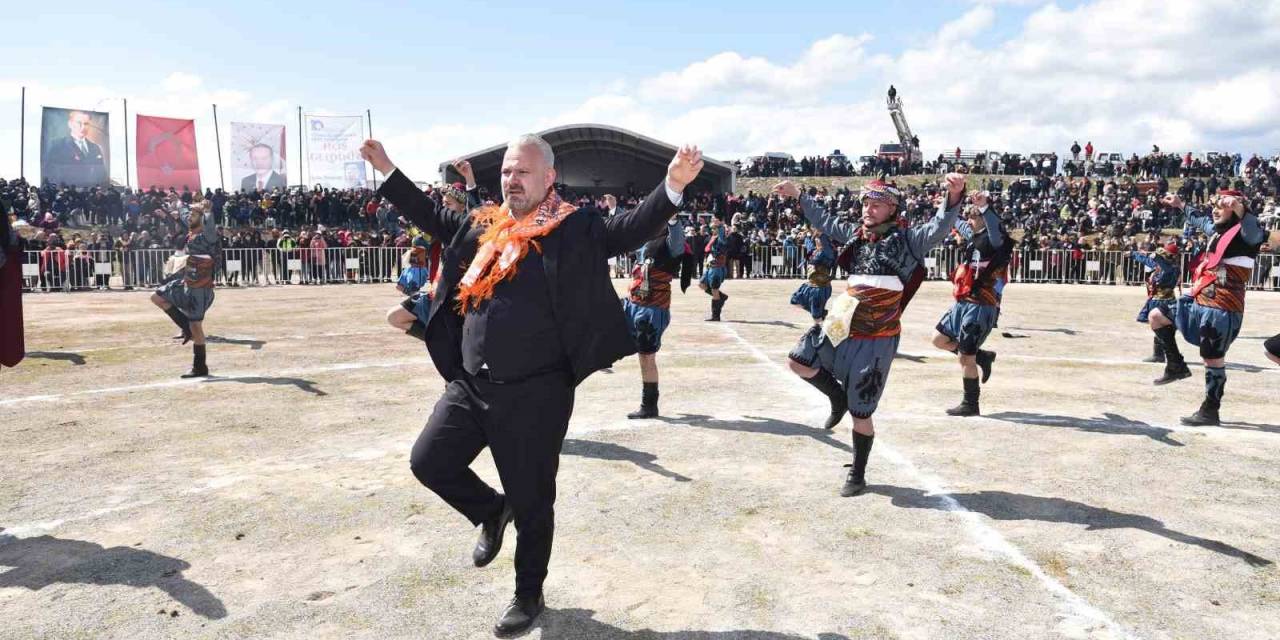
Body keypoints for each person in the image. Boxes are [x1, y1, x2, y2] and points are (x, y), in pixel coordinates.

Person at [361, 134, 703, 636]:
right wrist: (389, 168)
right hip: (472, 383)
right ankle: (490, 510)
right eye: (505, 172)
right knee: (429, 461)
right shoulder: (486, 225)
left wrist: (672, 184)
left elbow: (627, 231)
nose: (511, 181)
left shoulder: (572, 225)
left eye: (521, 173)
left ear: (547, 179)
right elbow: (434, 218)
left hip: (535, 393)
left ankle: (528, 592)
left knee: (534, 501)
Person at [776, 174, 966, 496]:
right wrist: (799, 196)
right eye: (866, 203)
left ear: (892, 209)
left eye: (876, 205)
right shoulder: (856, 235)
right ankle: (836, 397)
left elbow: (939, 225)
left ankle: (858, 474)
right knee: (799, 360)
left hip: (878, 336)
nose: (868, 209)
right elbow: (824, 219)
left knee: (862, 411)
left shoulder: (910, 241)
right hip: (842, 323)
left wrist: (954, 194)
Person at [1152, 191, 1265, 425]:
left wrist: (1241, 208)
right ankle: (1175, 365)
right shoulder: (1217, 231)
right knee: (1157, 316)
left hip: (1223, 306)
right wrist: (1181, 204)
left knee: (1212, 359)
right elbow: (1198, 220)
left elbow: (1253, 228)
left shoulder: (1247, 235)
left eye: (1221, 206)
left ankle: (1210, 409)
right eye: (1214, 205)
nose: (1215, 210)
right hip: (1199, 300)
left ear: (1234, 209)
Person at [930, 192, 1008, 416]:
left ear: (982, 219)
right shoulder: (974, 235)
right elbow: (957, 223)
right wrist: (946, 207)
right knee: (939, 339)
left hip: (981, 304)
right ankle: (982, 356)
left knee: (966, 357)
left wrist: (984, 207)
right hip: (964, 301)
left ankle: (970, 403)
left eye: (973, 218)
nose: (969, 222)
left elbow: (994, 226)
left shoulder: (995, 240)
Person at [386, 161, 480, 340]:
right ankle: (440, 344)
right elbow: (423, 237)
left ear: (462, 206)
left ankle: (447, 346)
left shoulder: (467, 227)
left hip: (461, 298)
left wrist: (469, 179)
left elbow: (477, 211)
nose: (444, 208)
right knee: (395, 317)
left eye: (449, 204)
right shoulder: (439, 227)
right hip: (438, 292)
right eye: (443, 203)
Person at [622, 218, 693, 419]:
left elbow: (678, 239)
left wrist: (671, 219)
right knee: (603, 313)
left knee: (646, 356)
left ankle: (649, 405)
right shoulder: (645, 241)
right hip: (633, 303)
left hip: (652, 308)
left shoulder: (671, 244)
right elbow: (626, 231)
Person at [149, 201, 219, 378]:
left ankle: (200, 366)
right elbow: (183, 224)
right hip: (187, 282)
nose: (189, 217)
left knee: (197, 326)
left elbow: (209, 227)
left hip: (200, 288)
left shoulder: (207, 236)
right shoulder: (191, 234)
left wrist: (209, 211)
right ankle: (185, 329)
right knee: (157, 297)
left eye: (193, 215)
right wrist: (167, 216)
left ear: (202, 219)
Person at [1130, 241, 1184, 371]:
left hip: (1165, 301)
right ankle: (1159, 354)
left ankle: (1164, 355)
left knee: (1165, 328)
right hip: (1156, 300)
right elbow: (1147, 261)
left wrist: (1157, 257)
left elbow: (1165, 267)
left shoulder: (1172, 268)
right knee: (1159, 328)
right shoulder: (1160, 265)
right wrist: (1133, 254)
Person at [44, 110, 108, 187]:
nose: (83, 127)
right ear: (70, 124)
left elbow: (102, 174)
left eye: (86, 124)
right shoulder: (58, 145)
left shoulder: (95, 147)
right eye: (79, 123)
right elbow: (51, 173)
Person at [789, 226, 835, 325]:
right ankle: (822, 314)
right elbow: (810, 245)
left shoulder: (828, 253)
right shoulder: (815, 251)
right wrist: (806, 236)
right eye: (816, 239)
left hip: (820, 288)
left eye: (818, 239)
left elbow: (824, 242)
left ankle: (820, 327)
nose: (817, 241)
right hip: (810, 285)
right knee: (795, 300)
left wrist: (820, 233)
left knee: (816, 318)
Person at [698, 217, 730, 321]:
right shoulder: (712, 237)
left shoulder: (722, 239)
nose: (713, 230)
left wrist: (720, 225)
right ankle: (722, 297)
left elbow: (721, 235)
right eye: (712, 228)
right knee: (701, 284)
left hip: (717, 268)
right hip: (710, 267)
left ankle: (715, 315)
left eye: (715, 228)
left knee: (714, 290)